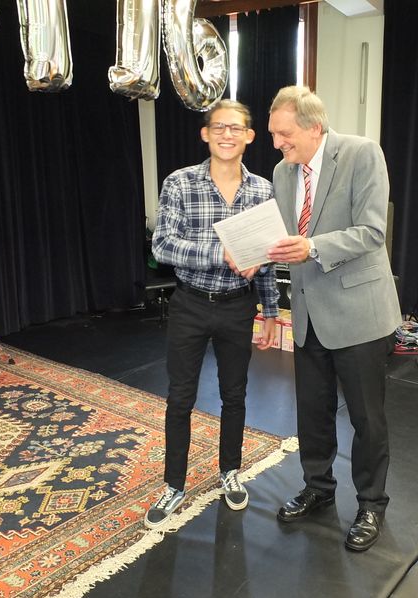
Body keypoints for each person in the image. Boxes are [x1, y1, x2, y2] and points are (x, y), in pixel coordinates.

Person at [266, 86, 402, 551]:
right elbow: (285, 237)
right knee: (313, 413)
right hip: (308, 314)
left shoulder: (362, 154)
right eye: (273, 135)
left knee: (367, 419)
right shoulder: (282, 173)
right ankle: (318, 488)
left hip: (358, 313)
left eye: (284, 134)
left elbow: (371, 232)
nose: (277, 144)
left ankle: (371, 504)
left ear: (314, 127)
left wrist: (312, 247)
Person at [145, 99, 279, 529]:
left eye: (236, 128)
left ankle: (230, 471)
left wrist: (270, 311)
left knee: (234, 394)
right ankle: (174, 485)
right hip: (189, 304)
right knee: (180, 397)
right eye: (219, 127)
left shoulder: (262, 191)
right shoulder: (180, 183)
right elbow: (163, 246)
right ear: (205, 134)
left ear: (249, 136)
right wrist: (220, 253)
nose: (227, 134)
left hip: (238, 306)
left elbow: (266, 257)